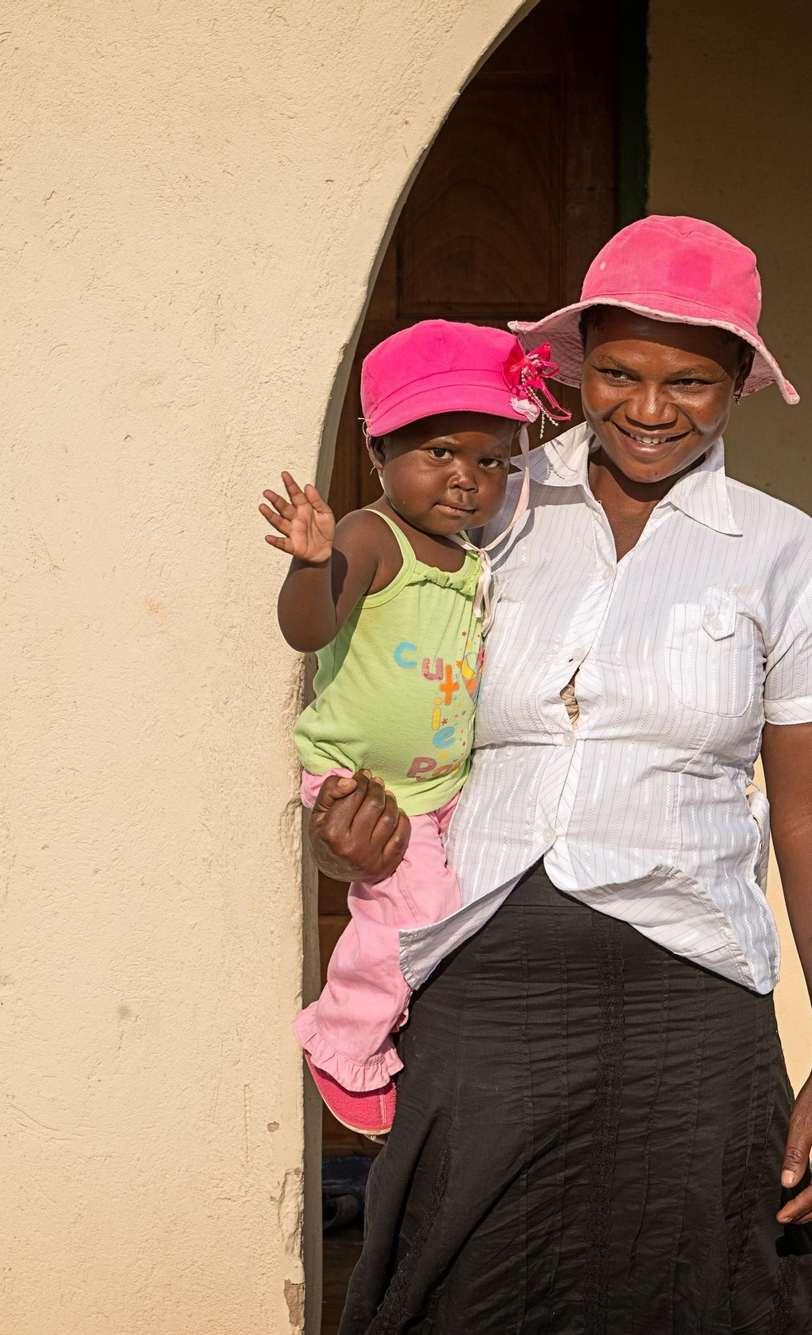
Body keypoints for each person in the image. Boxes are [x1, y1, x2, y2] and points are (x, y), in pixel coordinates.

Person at [311, 216, 812, 1332]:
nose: (650, 409)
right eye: (617, 372)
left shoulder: (780, 551)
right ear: (573, 367)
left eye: (691, 382)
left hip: (692, 994)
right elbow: (373, 689)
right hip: (483, 976)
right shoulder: (485, 509)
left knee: (693, 1289)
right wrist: (344, 826)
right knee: (459, 1289)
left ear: (739, 385)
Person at [262, 319, 561, 1136]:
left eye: (491, 459)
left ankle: (425, 1046)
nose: (467, 478)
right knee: (419, 903)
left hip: (443, 789)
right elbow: (309, 630)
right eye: (439, 452)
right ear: (380, 454)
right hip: (366, 782)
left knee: (476, 909)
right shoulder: (372, 535)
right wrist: (312, 564)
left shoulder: (473, 561)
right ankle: (343, 1038)